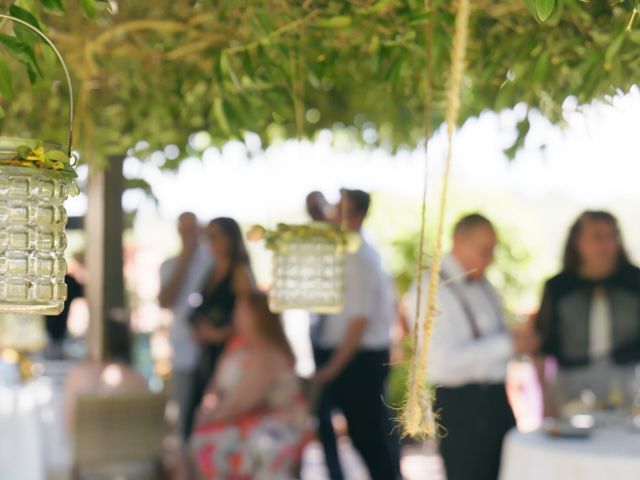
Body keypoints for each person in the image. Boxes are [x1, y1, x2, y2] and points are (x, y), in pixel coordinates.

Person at [410, 213, 537, 480]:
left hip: (496, 401)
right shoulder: (432, 290)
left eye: (492, 250)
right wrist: (507, 343)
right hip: (462, 406)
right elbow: (442, 364)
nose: (489, 258)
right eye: (484, 250)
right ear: (459, 241)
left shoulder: (486, 286)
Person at [312, 189, 400, 480]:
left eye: (340, 208)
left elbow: (358, 322)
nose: (332, 214)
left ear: (356, 214)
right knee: (370, 437)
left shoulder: (360, 256)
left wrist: (331, 369)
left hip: (359, 360)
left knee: (369, 439)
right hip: (352, 357)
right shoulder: (351, 251)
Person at [191, 293, 308, 479]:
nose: (235, 314)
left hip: (273, 424)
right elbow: (215, 387)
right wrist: (208, 408)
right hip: (243, 419)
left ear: (258, 315)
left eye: (241, 309)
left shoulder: (268, 352)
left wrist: (211, 418)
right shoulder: (238, 348)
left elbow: (241, 401)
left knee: (222, 442)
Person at [535, 211, 640, 412]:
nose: (605, 244)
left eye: (611, 236)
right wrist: (546, 399)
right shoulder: (559, 287)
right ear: (577, 241)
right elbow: (541, 345)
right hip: (571, 382)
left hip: (628, 379)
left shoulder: (634, 282)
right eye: (597, 237)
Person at [185, 217, 255, 439]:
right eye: (208, 237)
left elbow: (248, 318)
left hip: (229, 356)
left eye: (216, 236)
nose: (211, 242)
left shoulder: (239, 272)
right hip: (209, 354)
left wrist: (220, 333)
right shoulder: (213, 270)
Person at [159, 212, 214, 439]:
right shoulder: (170, 264)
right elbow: (165, 300)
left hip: (210, 348)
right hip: (182, 350)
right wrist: (186, 258)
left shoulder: (212, 260)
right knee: (184, 416)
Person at [64, 318, 148, 427]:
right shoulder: (138, 380)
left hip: (89, 442)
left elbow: (69, 425)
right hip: (134, 442)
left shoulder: (77, 376)